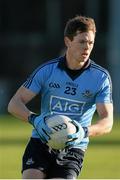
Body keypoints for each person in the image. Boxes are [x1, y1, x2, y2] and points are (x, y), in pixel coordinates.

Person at [8, 15, 113, 179]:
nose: (87, 48)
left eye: (90, 43)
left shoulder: (100, 78)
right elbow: (14, 104)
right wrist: (35, 120)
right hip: (41, 140)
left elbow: (107, 122)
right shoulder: (47, 70)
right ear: (68, 41)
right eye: (81, 42)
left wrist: (83, 132)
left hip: (73, 148)